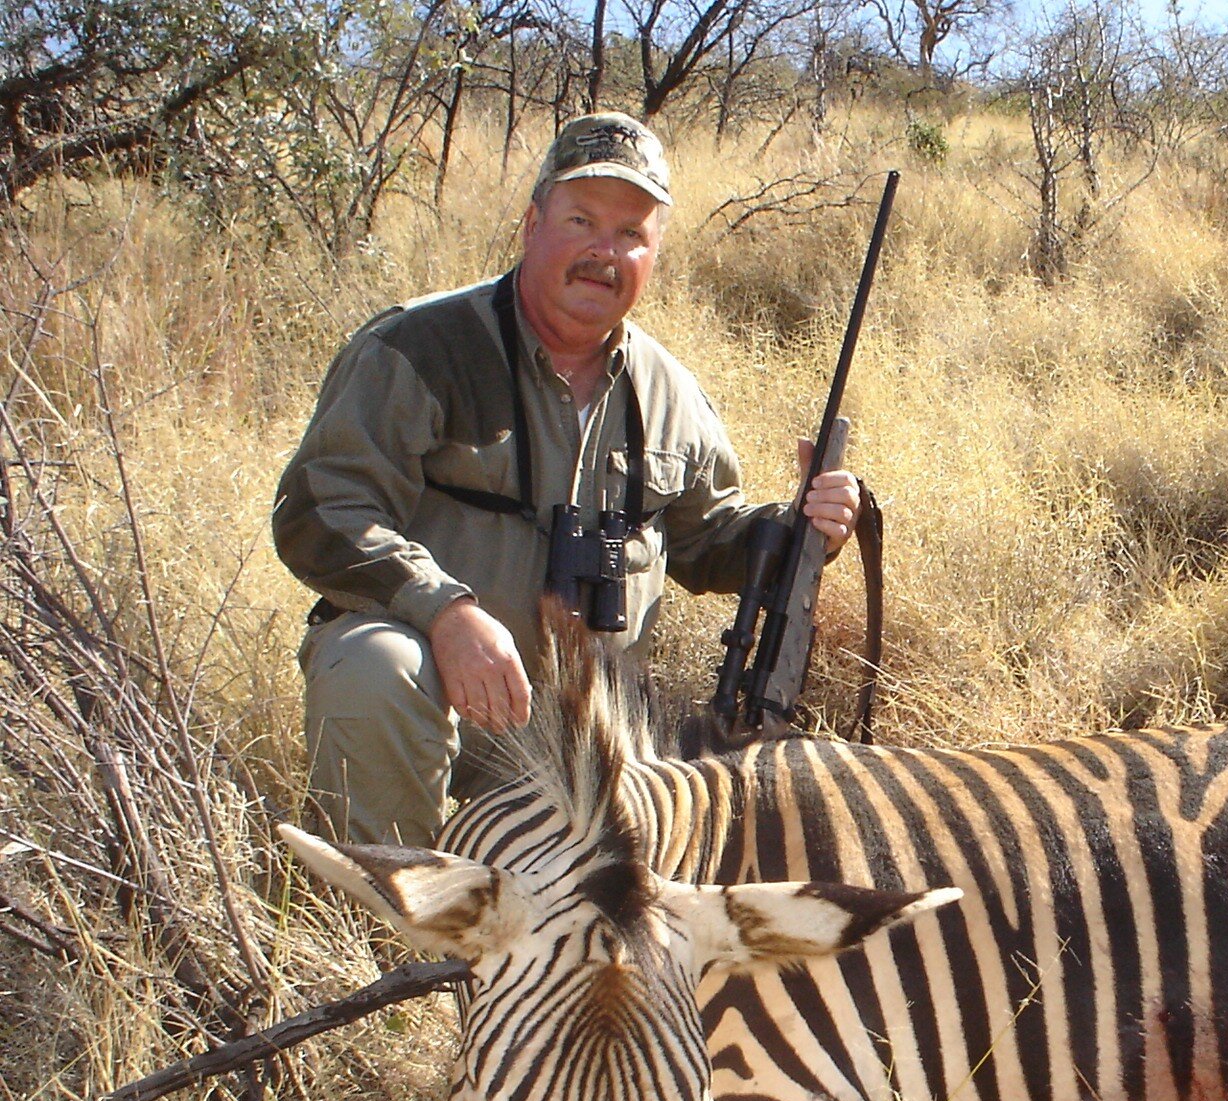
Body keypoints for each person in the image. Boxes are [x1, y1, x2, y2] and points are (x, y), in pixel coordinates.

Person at [274, 112, 860, 847]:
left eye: (630, 234)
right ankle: (391, 920)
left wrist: (807, 525)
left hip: (586, 738)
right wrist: (445, 615)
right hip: (441, 690)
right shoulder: (417, 347)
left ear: (654, 253)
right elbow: (320, 510)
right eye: (582, 220)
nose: (603, 252)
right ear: (531, 224)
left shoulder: (671, 394)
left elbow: (714, 542)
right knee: (375, 666)